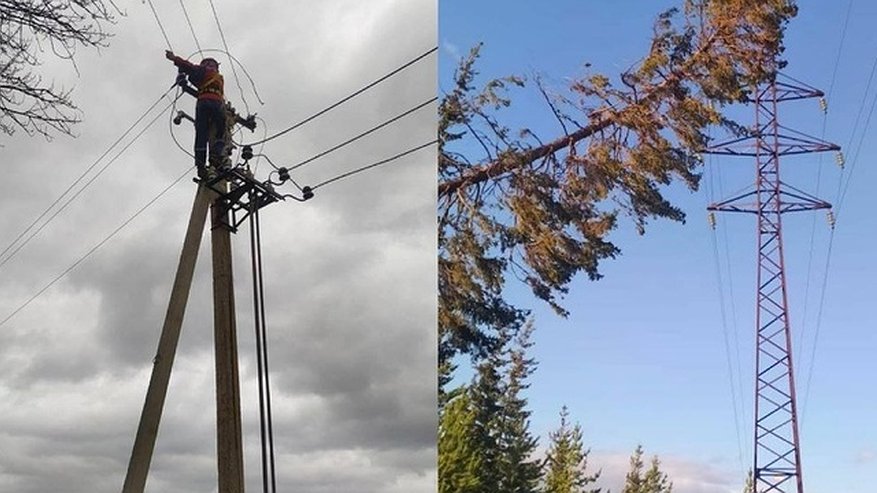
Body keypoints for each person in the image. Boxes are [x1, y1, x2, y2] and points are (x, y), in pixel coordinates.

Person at [165, 50, 228, 176]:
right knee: (221, 131)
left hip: (203, 102)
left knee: (201, 134)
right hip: (217, 104)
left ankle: (200, 165)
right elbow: (196, 80)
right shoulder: (219, 78)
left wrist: (175, 60)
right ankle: (216, 155)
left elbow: (189, 67)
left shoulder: (204, 70)